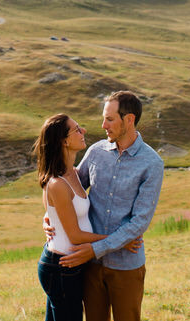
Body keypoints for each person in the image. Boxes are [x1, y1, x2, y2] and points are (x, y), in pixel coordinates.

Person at [58, 91, 165, 321]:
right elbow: (69, 191)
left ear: (129, 120)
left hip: (126, 267)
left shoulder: (152, 164)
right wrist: (50, 220)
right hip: (91, 266)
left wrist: (95, 249)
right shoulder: (96, 152)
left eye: (110, 119)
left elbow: (139, 222)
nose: (103, 124)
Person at [33, 113, 110, 320]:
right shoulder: (57, 183)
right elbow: (75, 236)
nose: (83, 131)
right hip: (60, 267)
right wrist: (118, 239)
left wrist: (46, 219)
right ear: (64, 141)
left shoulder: (74, 173)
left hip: (70, 264)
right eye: (77, 129)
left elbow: (55, 214)